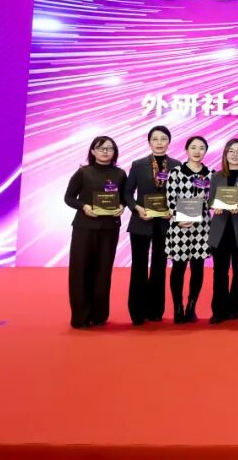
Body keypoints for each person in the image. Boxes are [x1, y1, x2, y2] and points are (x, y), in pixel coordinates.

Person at [64, 136, 126, 328]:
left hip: (109, 228)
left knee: (103, 272)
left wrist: (122, 206)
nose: (105, 152)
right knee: (80, 271)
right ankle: (80, 317)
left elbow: (125, 197)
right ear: (92, 151)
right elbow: (68, 198)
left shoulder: (120, 174)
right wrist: (83, 206)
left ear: (114, 152)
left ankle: (99, 315)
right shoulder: (83, 172)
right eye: (100, 148)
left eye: (109, 148)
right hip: (84, 228)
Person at [123, 125, 179, 325]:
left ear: (169, 141)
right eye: (155, 139)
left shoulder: (177, 166)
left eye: (163, 139)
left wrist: (174, 210)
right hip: (141, 221)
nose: (159, 143)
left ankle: (155, 310)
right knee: (139, 266)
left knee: (159, 266)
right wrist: (136, 208)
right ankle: (137, 312)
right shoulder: (138, 164)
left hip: (165, 224)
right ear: (149, 142)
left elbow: (181, 194)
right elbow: (127, 193)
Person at [207, 138, 238, 324]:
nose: (235, 154)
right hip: (220, 228)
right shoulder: (216, 176)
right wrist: (215, 205)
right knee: (219, 270)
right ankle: (219, 310)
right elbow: (211, 199)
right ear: (225, 154)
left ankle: (236, 307)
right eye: (231, 151)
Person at [164, 136, 212, 324]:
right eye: (193, 147)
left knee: (198, 268)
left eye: (201, 148)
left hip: (202, 228)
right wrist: (178, 218)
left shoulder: (211, 174)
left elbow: (212, 199)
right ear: (186, 150)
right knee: (178, 268)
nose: (197, 151)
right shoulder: (176, 173)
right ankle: (178, 307)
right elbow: (170, 199)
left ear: (205, 151)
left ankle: (192, 307)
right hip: (180, 227)